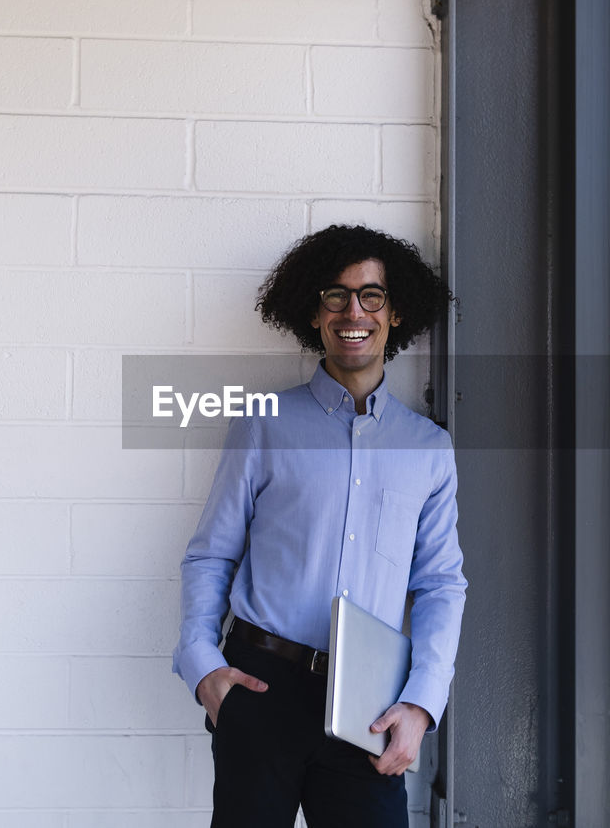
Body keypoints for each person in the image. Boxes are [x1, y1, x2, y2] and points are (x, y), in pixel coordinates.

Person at [172, 224, 466, 828]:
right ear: (313, 312)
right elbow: (211, 556)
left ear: (395, 312)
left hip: (370, 703)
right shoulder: (263, 425)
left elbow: (441, 584)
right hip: (259, 688)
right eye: (335, 295)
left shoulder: (428, 449)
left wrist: (422, 703)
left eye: (371, 295)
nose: (352, 311)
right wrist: (202, 665)